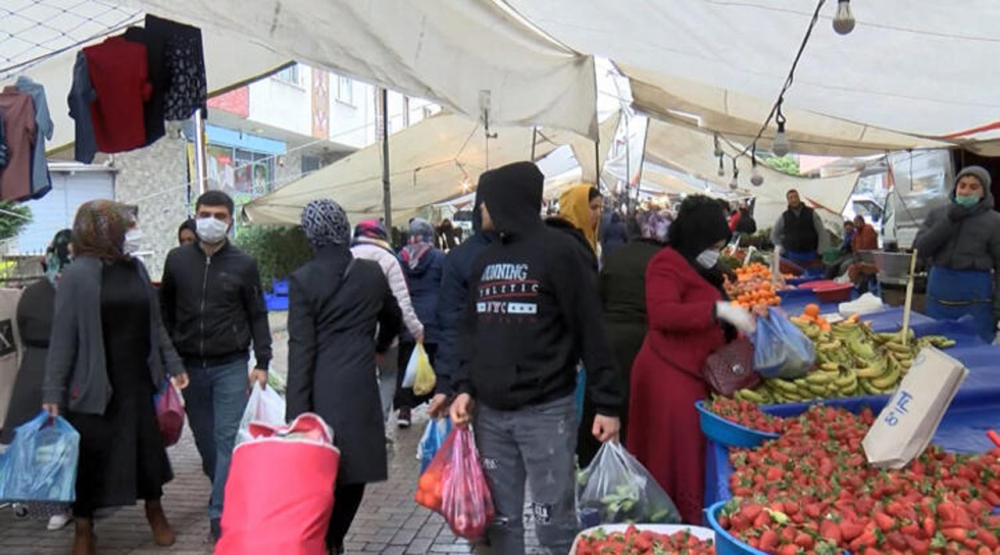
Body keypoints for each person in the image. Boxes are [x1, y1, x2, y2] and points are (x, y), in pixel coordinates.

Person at [450, 162, 622, 554]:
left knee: (554, 522)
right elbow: (472, 333)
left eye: (486, 202)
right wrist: (463, 388)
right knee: (501, 523)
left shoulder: (561, 252)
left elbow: (590, 328)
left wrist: (608, 403)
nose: (480, 211)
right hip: (490, 416)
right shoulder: (483, 262)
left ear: (506, 202)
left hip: (546, 412)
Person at [42, 201, 189, 555]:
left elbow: (155, 325)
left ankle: (156, 512)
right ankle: (84, 529)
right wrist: (53, 391)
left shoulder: (135, 269)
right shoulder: (77, 273)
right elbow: (63, 337)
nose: (128, 231)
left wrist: (174, 365)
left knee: (146, 454)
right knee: (90, 460)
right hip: (92, 385)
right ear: (104, 231)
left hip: (136, 381)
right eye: (123, 226)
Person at [627, 195, 756, 524]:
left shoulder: (698, 264)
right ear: (696, 236)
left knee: (687, 450)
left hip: (693, 369)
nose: (717, 250)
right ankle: (672, 522)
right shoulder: (666, 263)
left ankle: (687, 522)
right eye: (713, 244)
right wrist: (717, 310)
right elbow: (662, 314)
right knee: (675, 450)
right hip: (667, 372)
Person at [286, 199, 402, 555]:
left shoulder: (303, 279)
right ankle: (335, 539)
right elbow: (394, 318)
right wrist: (379, 346)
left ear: (310, 233)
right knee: (354, 468)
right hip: (359, 383)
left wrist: (296, 413)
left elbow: (300, 349)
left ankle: (323, 539)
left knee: (320, 470)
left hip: (320, 387)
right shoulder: (370, 273)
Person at [159, 190, 272, 540]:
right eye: (205, 213)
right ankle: (221, 488)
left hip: (231, 365)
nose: (211, 221)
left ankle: (219, 516)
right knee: (207, 444)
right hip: (188, 368)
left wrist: (263, 361)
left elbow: (257, 314)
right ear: (194, 215)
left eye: (220, 215)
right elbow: (163, 315)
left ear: (230, 220)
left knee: (226, 440)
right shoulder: (177, 260)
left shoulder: (244, 264)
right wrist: (170, 360)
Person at [579, 210, 670, 466]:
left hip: (609, 339)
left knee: (602, 403)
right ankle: (632, 465)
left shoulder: (617, 256)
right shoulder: (665, 259)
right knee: (637, 408)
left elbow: (598, 297)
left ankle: (592, 464)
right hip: (645, 341)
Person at [431, 178, 495, 418]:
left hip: (524, 390)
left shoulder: (460, 256)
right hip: (476, 383)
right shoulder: (462, 258)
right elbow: (451, 323)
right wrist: (447, 383)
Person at [914, 166, 1000, 342]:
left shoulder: (994, 221)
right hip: (938, 296)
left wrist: (998, 306)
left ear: (984, 192)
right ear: (955, 188)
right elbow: (920, 249)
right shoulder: (938, 215)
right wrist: (949, 221)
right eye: (963, 185)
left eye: (974, 187)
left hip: (975, 301)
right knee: (937, 349)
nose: (966, 191)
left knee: (974, 350)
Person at [351, 219, 423, 423]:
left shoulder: (346, 257)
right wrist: (417, 330)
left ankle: (358, 421)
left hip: (354, 334)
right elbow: (402, 303)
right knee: (388, 377)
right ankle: (379, 423)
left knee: (359, 379)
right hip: (386, 334)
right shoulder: (389, 259)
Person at [394, 218, 445, 427]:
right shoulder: (439, 258)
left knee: (406, 367)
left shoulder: (400, 259)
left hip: (407, 321)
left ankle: (404, 411)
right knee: (435, 364)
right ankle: (437, 405)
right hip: (433, 321)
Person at [546, 184, 602, 270]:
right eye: (593, 208)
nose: (598, 214)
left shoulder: (588, 238)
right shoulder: (564, 243)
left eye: (600, 208)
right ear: (578, 208)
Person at [770, 189, 829, 267]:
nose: (794, 199)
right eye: (791, 198)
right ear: (788, 200)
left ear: (799, 198)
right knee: (795, 275)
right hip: (792, 255)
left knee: (812, 278)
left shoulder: (811, 213)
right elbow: (774, 234)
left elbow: (821, 232)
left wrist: (821, 251)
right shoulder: (784, 216)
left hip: (811, 254)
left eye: (795, 197)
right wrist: (782, 249)